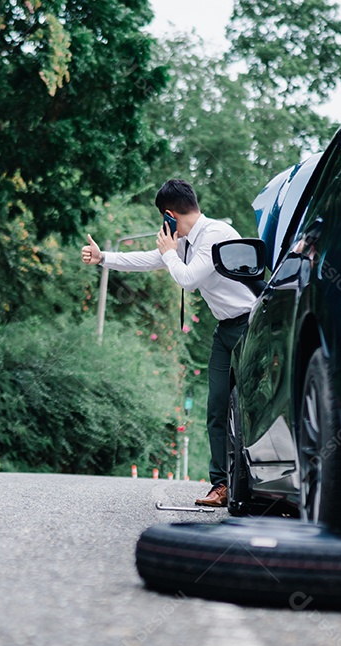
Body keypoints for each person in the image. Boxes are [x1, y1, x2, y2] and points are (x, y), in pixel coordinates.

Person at [81, 179, 257, 507]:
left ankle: (256, 482)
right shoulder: (185, 241)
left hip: (251, 325)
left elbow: (188, 280)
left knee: (249, 405)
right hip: (225, 330)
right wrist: (103, 257)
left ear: (169, 214)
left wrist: (170, 254)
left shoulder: (214, 235)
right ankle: (221, 485)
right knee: (217, 407)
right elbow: (150, 259)